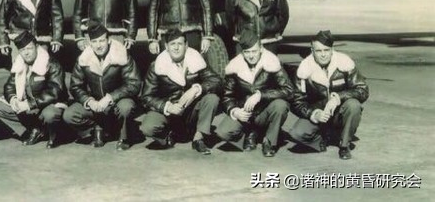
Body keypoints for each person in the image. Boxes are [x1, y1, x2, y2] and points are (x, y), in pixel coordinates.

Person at [289, 30, 369, 160]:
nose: (323, 55)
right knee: (297, 133)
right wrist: (314, 114)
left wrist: (338, 98)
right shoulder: (304, 69)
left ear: (332, 50)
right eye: (318, 51)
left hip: (339, 113)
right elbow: (296, 102)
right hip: (319, 116)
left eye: (326, 50)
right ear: (312, 51)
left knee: (354, 106)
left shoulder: (344, 64)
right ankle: (322, 140)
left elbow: (362, 90)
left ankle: (344, 145)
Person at [140, 28, 221, 155]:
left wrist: (197, 88)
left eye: (180, 44)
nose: (176, 48)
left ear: (186, 45)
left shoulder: (196, 60)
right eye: (172, 44)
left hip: (191, 111)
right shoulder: (157, 65)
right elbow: (146, 97)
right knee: (147, 127)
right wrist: (168, 106)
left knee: (212, 99)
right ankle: (167, 137)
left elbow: (216, 80)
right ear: (166, 46)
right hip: (169, 114)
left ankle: (199, 138)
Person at [63, 23, 141, 150]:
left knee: (126, 107)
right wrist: (89, 101)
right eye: (94, 41)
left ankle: (124, 136)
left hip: (117, 101)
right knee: (69, 115)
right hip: (96, 104)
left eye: (102, 41)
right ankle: (98, 128)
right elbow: (75, 86)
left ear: (108, 40)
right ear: (90, 43)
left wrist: (110, 97)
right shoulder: (83, 59)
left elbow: (134, 83)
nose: (98, 45)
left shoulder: (121, 55)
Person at [215, 29, 293, 157]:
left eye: (254, 51)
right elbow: (226, 96)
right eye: (247, 52)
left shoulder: (271, 62)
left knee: (281, 105)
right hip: (245, 114)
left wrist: (261, 95)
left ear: (261, 49)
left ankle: (269, 141)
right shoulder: (235, 66)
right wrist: (234, 111)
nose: (251, 56)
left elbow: (289, 90)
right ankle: (252, 132)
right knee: (223, 132)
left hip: (265, 112)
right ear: (242, 52)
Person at [0, 30, 67, 148]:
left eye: (29, 48)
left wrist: (29, 104)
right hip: (29, 105)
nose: (26, 53)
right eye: (22, 50)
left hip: (49, 104)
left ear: (37, 47)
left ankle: (55, 132)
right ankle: (35, 129)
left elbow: (54, 91)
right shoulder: (19, 63)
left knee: (49, 115)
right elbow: (9, 86)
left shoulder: (50, 63)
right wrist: (13, 99)